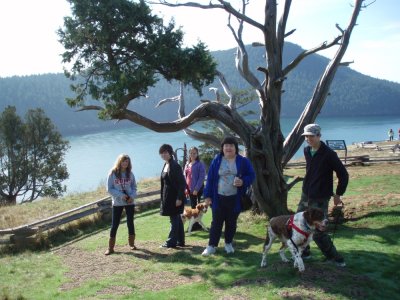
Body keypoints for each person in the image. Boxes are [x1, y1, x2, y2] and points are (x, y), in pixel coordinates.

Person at [297, 124, 349, 267]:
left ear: (319, 136)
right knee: (300, 224)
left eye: (311, 136)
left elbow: (343, 175)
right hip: (305, 194)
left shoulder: (329, 154)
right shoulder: (307, 150)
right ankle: (305, 252)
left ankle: (336, 258)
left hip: (320, 197)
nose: (308, 139)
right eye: (306, 136)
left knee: (319, 230)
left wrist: (338, 194)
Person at [201, 136, 255, 256]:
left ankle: (228, 243)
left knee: (231, 222)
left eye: (231, 145)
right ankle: (211, 246)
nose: (228, 148)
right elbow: (210, 179)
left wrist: (243, 181)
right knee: (216, 223)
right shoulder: (217, 159)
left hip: (235, 198)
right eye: (226, 145)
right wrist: (207, 196)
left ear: (235, 148)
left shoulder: (243, 161)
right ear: (222, 148)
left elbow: (251, 175)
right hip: (218, 198)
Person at [105, 154, 137, 255]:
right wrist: (121, 195)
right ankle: (110, 248)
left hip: (129, 202)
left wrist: (132, 196)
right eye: (123, 161)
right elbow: (109, 189)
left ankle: (131, 244)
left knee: (130, 222)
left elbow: (134, 187)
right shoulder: (112, 173)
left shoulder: (130, 174)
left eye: (127, 162)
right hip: (118, 203)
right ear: (119, 161)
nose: (125, 163)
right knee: (115, 224)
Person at [159, 144, 186, 248]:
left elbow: (182, 183)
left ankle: (171, 242)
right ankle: (180, 241)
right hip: (168, 197)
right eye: (162, 153)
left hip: (175, 197)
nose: (163, 155)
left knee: (174, 220)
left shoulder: (175, 165)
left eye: (165, 152)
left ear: (170, 153)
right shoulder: (166, 164)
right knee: (177, 219)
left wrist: (179, 198)